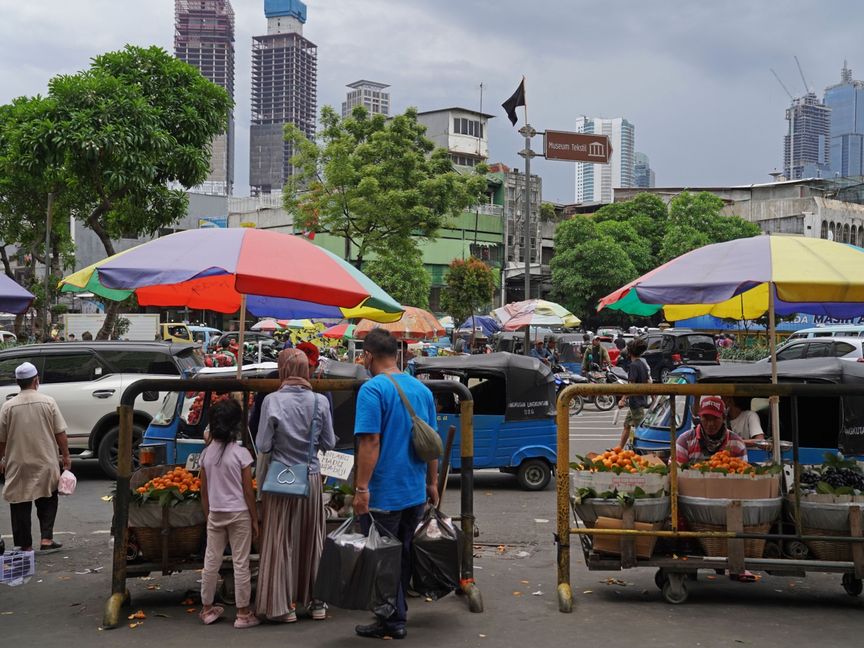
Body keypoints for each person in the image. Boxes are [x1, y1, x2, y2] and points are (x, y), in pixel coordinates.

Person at [353, 328, 439, 640]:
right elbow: (432, 443)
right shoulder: (421, 390)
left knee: (380, 559)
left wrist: (362, 488)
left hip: (383, 493)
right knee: (401, 555)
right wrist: (432, 483)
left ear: (369, 356)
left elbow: (370, 441)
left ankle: (390, 620)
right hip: (414, 491)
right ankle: (396, 615)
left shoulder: (373, 390)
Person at [256, 349, 335, 623]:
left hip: (281, 479)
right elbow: (330, 443)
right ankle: (317, 603)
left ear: (282, 369)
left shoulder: (272, 401)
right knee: (312, 540)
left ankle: (283, 606)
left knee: (281, 541)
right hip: (311, 478)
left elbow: (263, 445)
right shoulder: (320, 402)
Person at [198, 399, 259, 628]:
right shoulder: (241, 454)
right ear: (236, 426)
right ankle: (243, 614)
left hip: (215, 513)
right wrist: (254, 519)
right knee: (241, 563)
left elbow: (204, 490)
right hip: (239, 514)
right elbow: (248, 491)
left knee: (211, 561)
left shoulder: (206, 455)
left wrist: (208, 516)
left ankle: (206, 609)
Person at [0, 362, 71, 552]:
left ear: (18, 382)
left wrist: (1, 459)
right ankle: (46, 539)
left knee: (19, 502)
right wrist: (66, 457)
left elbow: (2, 439)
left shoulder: (8, 406)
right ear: (36, 381)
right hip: (46, 460)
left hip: (18, 462)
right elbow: (60, 433)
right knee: (48, 497)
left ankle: (25, 545)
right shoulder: (48, 402)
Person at [675, 396, 748, 464]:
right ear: (700, 418)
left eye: (715, 418)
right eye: (706, 418)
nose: (710, 424)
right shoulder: (685, 441)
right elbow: (676, 472)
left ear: (724, 418)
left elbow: (742, 473)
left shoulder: (737, 444)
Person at [618, 339, 650, 449]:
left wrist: (622, 399)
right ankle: (619, 448)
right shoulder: (642, 364)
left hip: (636, 402)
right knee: (627, 425)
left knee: (640, 429)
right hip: (637, 401)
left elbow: (630, 386)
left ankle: (645, 450)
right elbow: (647, 382)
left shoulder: (633, 366)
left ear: (629, 352)